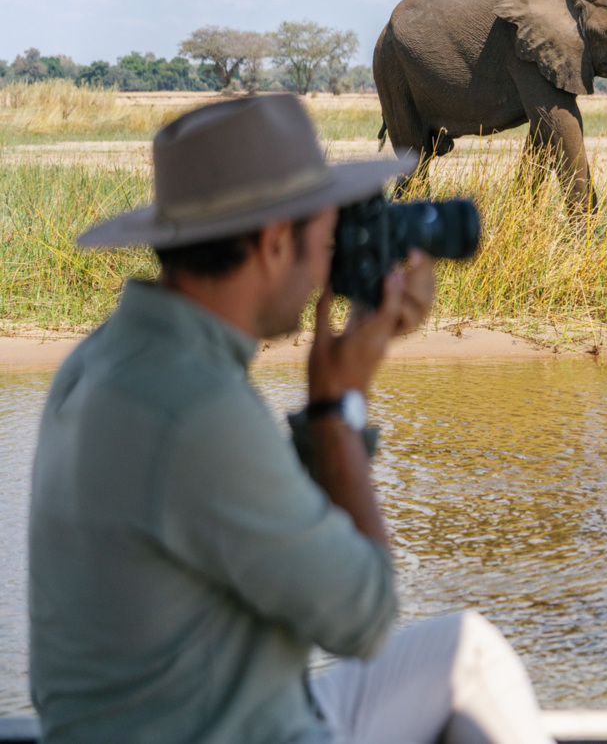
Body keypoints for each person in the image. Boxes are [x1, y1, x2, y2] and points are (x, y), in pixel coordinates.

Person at [28, 94, 553, 744]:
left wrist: (330, 401)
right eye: (320, 237)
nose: (323, 268)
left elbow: (263, 529)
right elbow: (363, 620)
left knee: (465, 649)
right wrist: (337, 408)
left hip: (184, 712)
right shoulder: (196, 409)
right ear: (275, 244)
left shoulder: (109, 361)